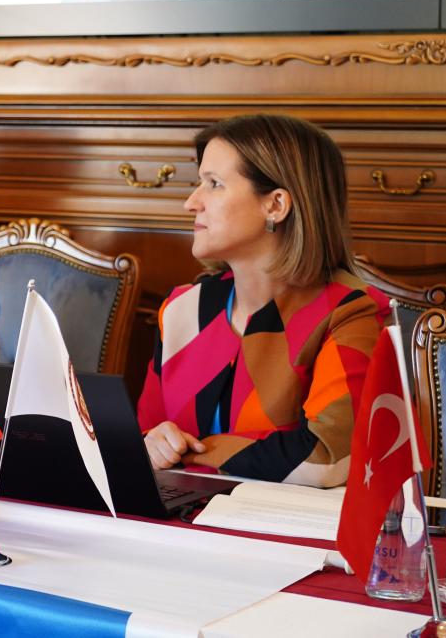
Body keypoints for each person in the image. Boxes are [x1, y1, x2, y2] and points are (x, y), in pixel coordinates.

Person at [137, 114, 388, 486]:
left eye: (214, 184)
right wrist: (151, 444)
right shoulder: (181, 309)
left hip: (282, 523)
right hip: (177, 515)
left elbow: (327, 459)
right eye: (199, 183)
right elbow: (144, 434)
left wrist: (190, 452)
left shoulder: (350, 311)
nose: (191, 202)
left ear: (276, 205)